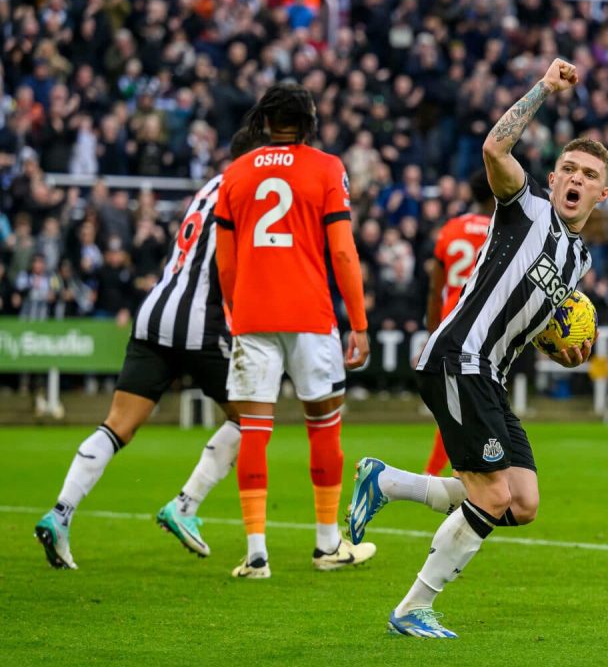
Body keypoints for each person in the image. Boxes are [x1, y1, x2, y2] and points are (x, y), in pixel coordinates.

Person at [347, 58, 608, 638]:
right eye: (568, 167)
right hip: (457, 360)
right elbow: (495, 148)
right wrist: (544, 88)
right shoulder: (525, 208)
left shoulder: (579, 260)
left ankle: (385, 482)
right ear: (553, 177)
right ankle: (413, 607)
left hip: (490, 374)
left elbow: (534, 320)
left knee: (522, 502)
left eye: (587, 174)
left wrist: (560, 348)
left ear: (602, 191)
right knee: (490, 497)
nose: (575, 178)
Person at [34, 129, 268, 570]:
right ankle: (186, 504)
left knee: (116, 425)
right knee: (253, 417)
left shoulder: (207, 188)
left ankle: (60, 514)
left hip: (154, 311)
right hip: (201, 320)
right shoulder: (245, 192)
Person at [214, 82, 375, 578]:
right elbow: (343, 252)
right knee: (323, 426)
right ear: (308, 123)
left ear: (263, 122)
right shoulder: (327, 167)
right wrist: (360, 324)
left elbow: (225, 261)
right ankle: (327, 545)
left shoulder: (235, 174)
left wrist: (234, 308)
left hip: (254, 317)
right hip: (310, 315)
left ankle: (257, 553)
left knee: (256, 432)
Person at [422, 170, 494, 476]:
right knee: (469, 409)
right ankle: (437, 474)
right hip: (480, 327)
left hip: (449, 324)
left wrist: (431, 333)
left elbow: (435, 288)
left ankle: (456, 473)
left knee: (464, 407)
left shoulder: (450, 229)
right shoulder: (500, 229)